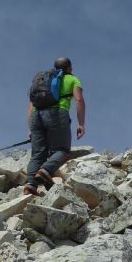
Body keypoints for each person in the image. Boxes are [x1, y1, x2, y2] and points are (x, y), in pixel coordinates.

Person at [24, 57, 86, 195]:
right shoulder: (72, 79)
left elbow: (30, 107)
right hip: (57, 114)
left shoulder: (42, 80)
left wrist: (31, 128)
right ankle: (45, 171)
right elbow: (79, 100)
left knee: (38, 154)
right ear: (70, 68)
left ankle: (30, 185)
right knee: (62, 150)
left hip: (36, 116)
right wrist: (81, 123)